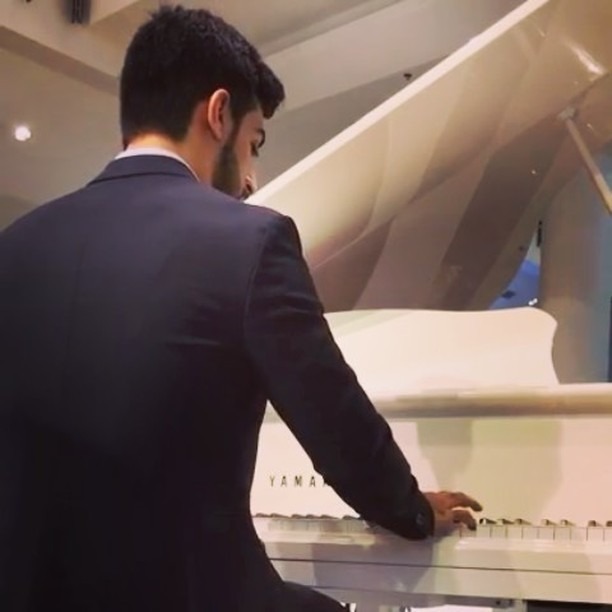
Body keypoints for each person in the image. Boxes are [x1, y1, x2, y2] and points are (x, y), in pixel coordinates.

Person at [0, 5, 481, 612]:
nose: (251, 179)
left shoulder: (14, 246)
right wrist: (410, 510)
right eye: (254, 143)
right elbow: (335, 420)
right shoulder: (251, 240)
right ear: (218, 113)